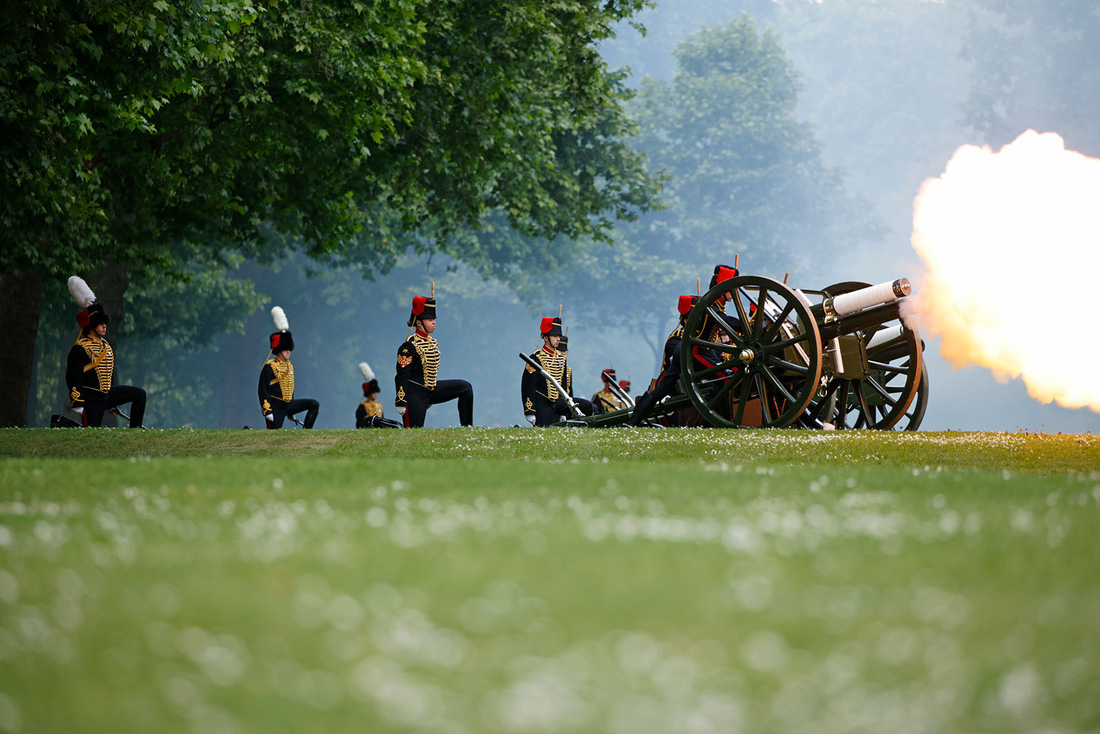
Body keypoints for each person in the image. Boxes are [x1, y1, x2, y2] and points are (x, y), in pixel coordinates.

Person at [64, 276, 146, 428]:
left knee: (140, 394)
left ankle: (136, 429)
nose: (104, 326)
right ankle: (62, 423)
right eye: (100, 324)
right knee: (91, 431)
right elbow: (73, 377)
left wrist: (111, 402)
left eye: (104, 323)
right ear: (91, 326)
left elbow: (109, 374)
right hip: (90, 398)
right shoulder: (80, 348)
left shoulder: (106, 346)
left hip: (107, 395)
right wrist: (77, 401)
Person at [394, 294, 473, 427]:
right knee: (413, 433)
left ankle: (467, 427)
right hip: (415, 394)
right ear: (419, 323)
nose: (434, 322)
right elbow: (401, 375)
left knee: (465, 388)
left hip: (431, 389)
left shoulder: (432, 342)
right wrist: (401, 400)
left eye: (434, 319)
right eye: (430, 319)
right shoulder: (408, 346)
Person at [522, 316, 594, 425]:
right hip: (543, 404)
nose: (558, 339)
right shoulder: (535, 357)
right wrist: (530, 411)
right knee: (545, 428)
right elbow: (528, 386)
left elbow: (563, 385)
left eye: (559, 336)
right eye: (555, 336)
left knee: (588, 406)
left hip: (559, 402)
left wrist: (563, 412)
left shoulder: (562, 357)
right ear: (546, 338)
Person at [258, 306, 319, 429]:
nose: (288, 352)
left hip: (288, 404)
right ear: (279, 350)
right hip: (276, 406)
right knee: (274, 436)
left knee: (314, 404)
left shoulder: (289, 365)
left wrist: (291, 411)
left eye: (289, 349)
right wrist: (267, 411)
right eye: (285, 349)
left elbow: (290, 388)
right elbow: (263, 391)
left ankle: (306, 432)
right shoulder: (269, 366)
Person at [356, 362, 401, 428]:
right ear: (369, 393)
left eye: (376, 392)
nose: (375, 394)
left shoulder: (379, 405)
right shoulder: (363, 406)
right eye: (373, 392)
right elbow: (360, 423)